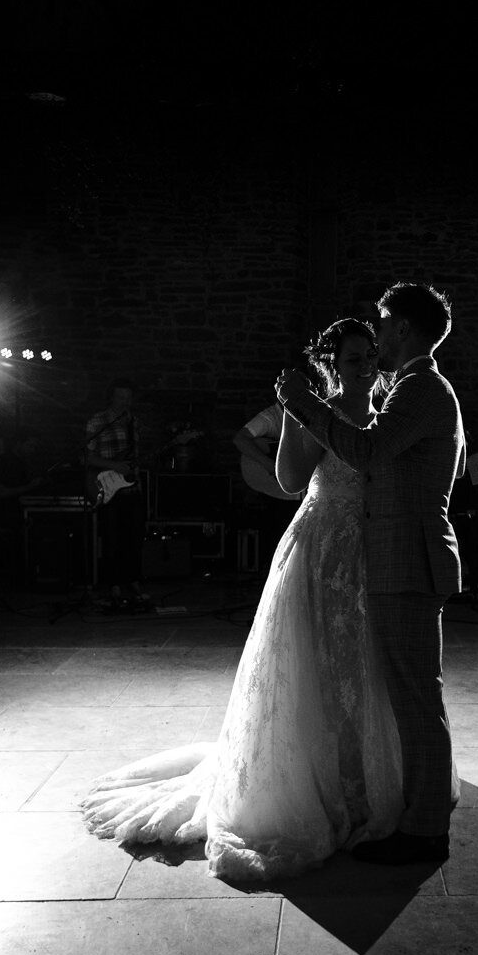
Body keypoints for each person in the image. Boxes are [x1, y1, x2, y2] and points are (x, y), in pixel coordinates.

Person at [81, 319, 403, 882]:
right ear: (332, 364)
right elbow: (288, 479)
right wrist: (300, 418)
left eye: (370, 355)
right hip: (325, 541)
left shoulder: (391, 406)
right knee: (316, 663)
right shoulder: (314, 408)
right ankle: (316, 780)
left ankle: (365, 774)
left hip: (374, 545)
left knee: (366, 663)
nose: (365, 366)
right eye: (353, 359)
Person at [277, 282, 465, 866]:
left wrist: (303, 407)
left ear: (403, 328)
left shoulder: (419, 388)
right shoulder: (416, 387)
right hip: (397, 556)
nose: (378, 335)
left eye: (383, 324)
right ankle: (416, 815)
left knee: (414, 700)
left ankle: (426, 830)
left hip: (407, 558)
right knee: (409, 697)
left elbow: (368, 453)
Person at [84, 378, 147, 606]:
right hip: (109, 487)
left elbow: (134, 456)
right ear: (111, 397)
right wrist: (114, 466)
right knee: (112, 538)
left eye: (128, 397)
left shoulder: (134, 422)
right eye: (121, 397)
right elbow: (87, 457)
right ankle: (114, 584)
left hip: (132, 487)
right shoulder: (98, 421)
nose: (125, 401)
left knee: (134, 538)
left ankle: (133, 581)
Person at [232, 402, 303, 559]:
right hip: (278, 489)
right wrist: (270, 464)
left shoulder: (309, 411)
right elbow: (240, 440)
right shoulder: (271, 416)